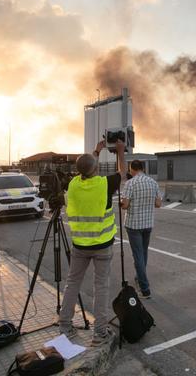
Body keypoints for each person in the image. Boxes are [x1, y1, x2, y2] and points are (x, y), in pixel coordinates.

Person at [60, 139, 125, 346]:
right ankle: (99, 334)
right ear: (96, 169)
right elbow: (123, 173)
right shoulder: (104, 184)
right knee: (101, 287)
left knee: (72, 283)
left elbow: (86, 167)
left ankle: (65, 326)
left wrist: (96, 151)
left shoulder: (73, 184)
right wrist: (121, 152)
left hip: (79, 245)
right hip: (102, 246)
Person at [121, 159, 162, 299]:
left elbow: (125, 205)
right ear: (143, 168)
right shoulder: (153, 182)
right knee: (143, 253)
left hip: (134, 224)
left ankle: (145, 289)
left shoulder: (130, 183)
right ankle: (140, 277)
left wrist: (122, 203)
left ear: (132, 169)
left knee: (137, 255)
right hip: (147, 223)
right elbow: (158, 204)